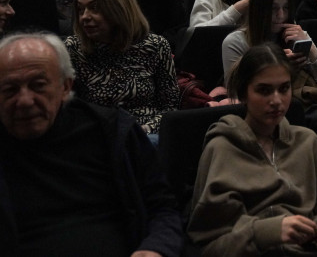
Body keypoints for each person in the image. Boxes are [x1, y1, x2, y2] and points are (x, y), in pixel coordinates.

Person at [0, 32, 184, 256]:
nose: (25, 101)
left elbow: (162, 207)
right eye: (9, 89)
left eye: (38, 86)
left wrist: (156, 248)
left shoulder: (111, 131)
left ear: (65, 87)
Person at [187, 43, 317, 256]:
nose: (276, 101)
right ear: (243, 93)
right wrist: (268, 232)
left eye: (284, 89)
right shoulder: (222, 148)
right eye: (264, 90)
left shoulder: (308, 142)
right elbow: (211, 244)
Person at [64, 0, 179, 138]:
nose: (85, 17)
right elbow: (68, 111)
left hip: (147, 133)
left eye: (94, 8)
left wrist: (144, 130)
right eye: (81, 10)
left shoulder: (156, 46)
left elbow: (170, 108)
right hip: (98, 135)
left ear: (118, 8)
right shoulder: (74, 49)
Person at [221, 0, 317, 101]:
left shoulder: (297, 38)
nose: (281, 15)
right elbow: (236, 98)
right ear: (258, 9)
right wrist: (279, 67)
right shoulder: (235, 43)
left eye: (286, 8)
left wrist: (311, 49)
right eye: (273, 8)